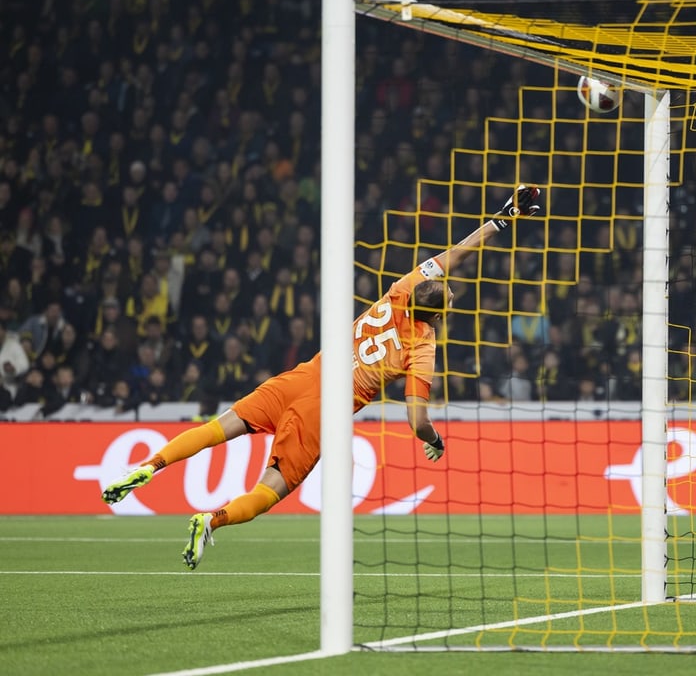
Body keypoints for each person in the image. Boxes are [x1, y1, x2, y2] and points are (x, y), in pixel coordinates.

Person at [101, 184, 542, 569]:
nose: (450, 285)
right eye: (448, 291)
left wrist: (500, 220)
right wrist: (434, 440)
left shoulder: (400, 291)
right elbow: (416, 420)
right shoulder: (421, 347)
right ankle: (210, 519)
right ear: (440, 311)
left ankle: (149, 466)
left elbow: (454, 255)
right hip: (323, 411)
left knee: (218, 428)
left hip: (300, 378)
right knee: (270, 490)